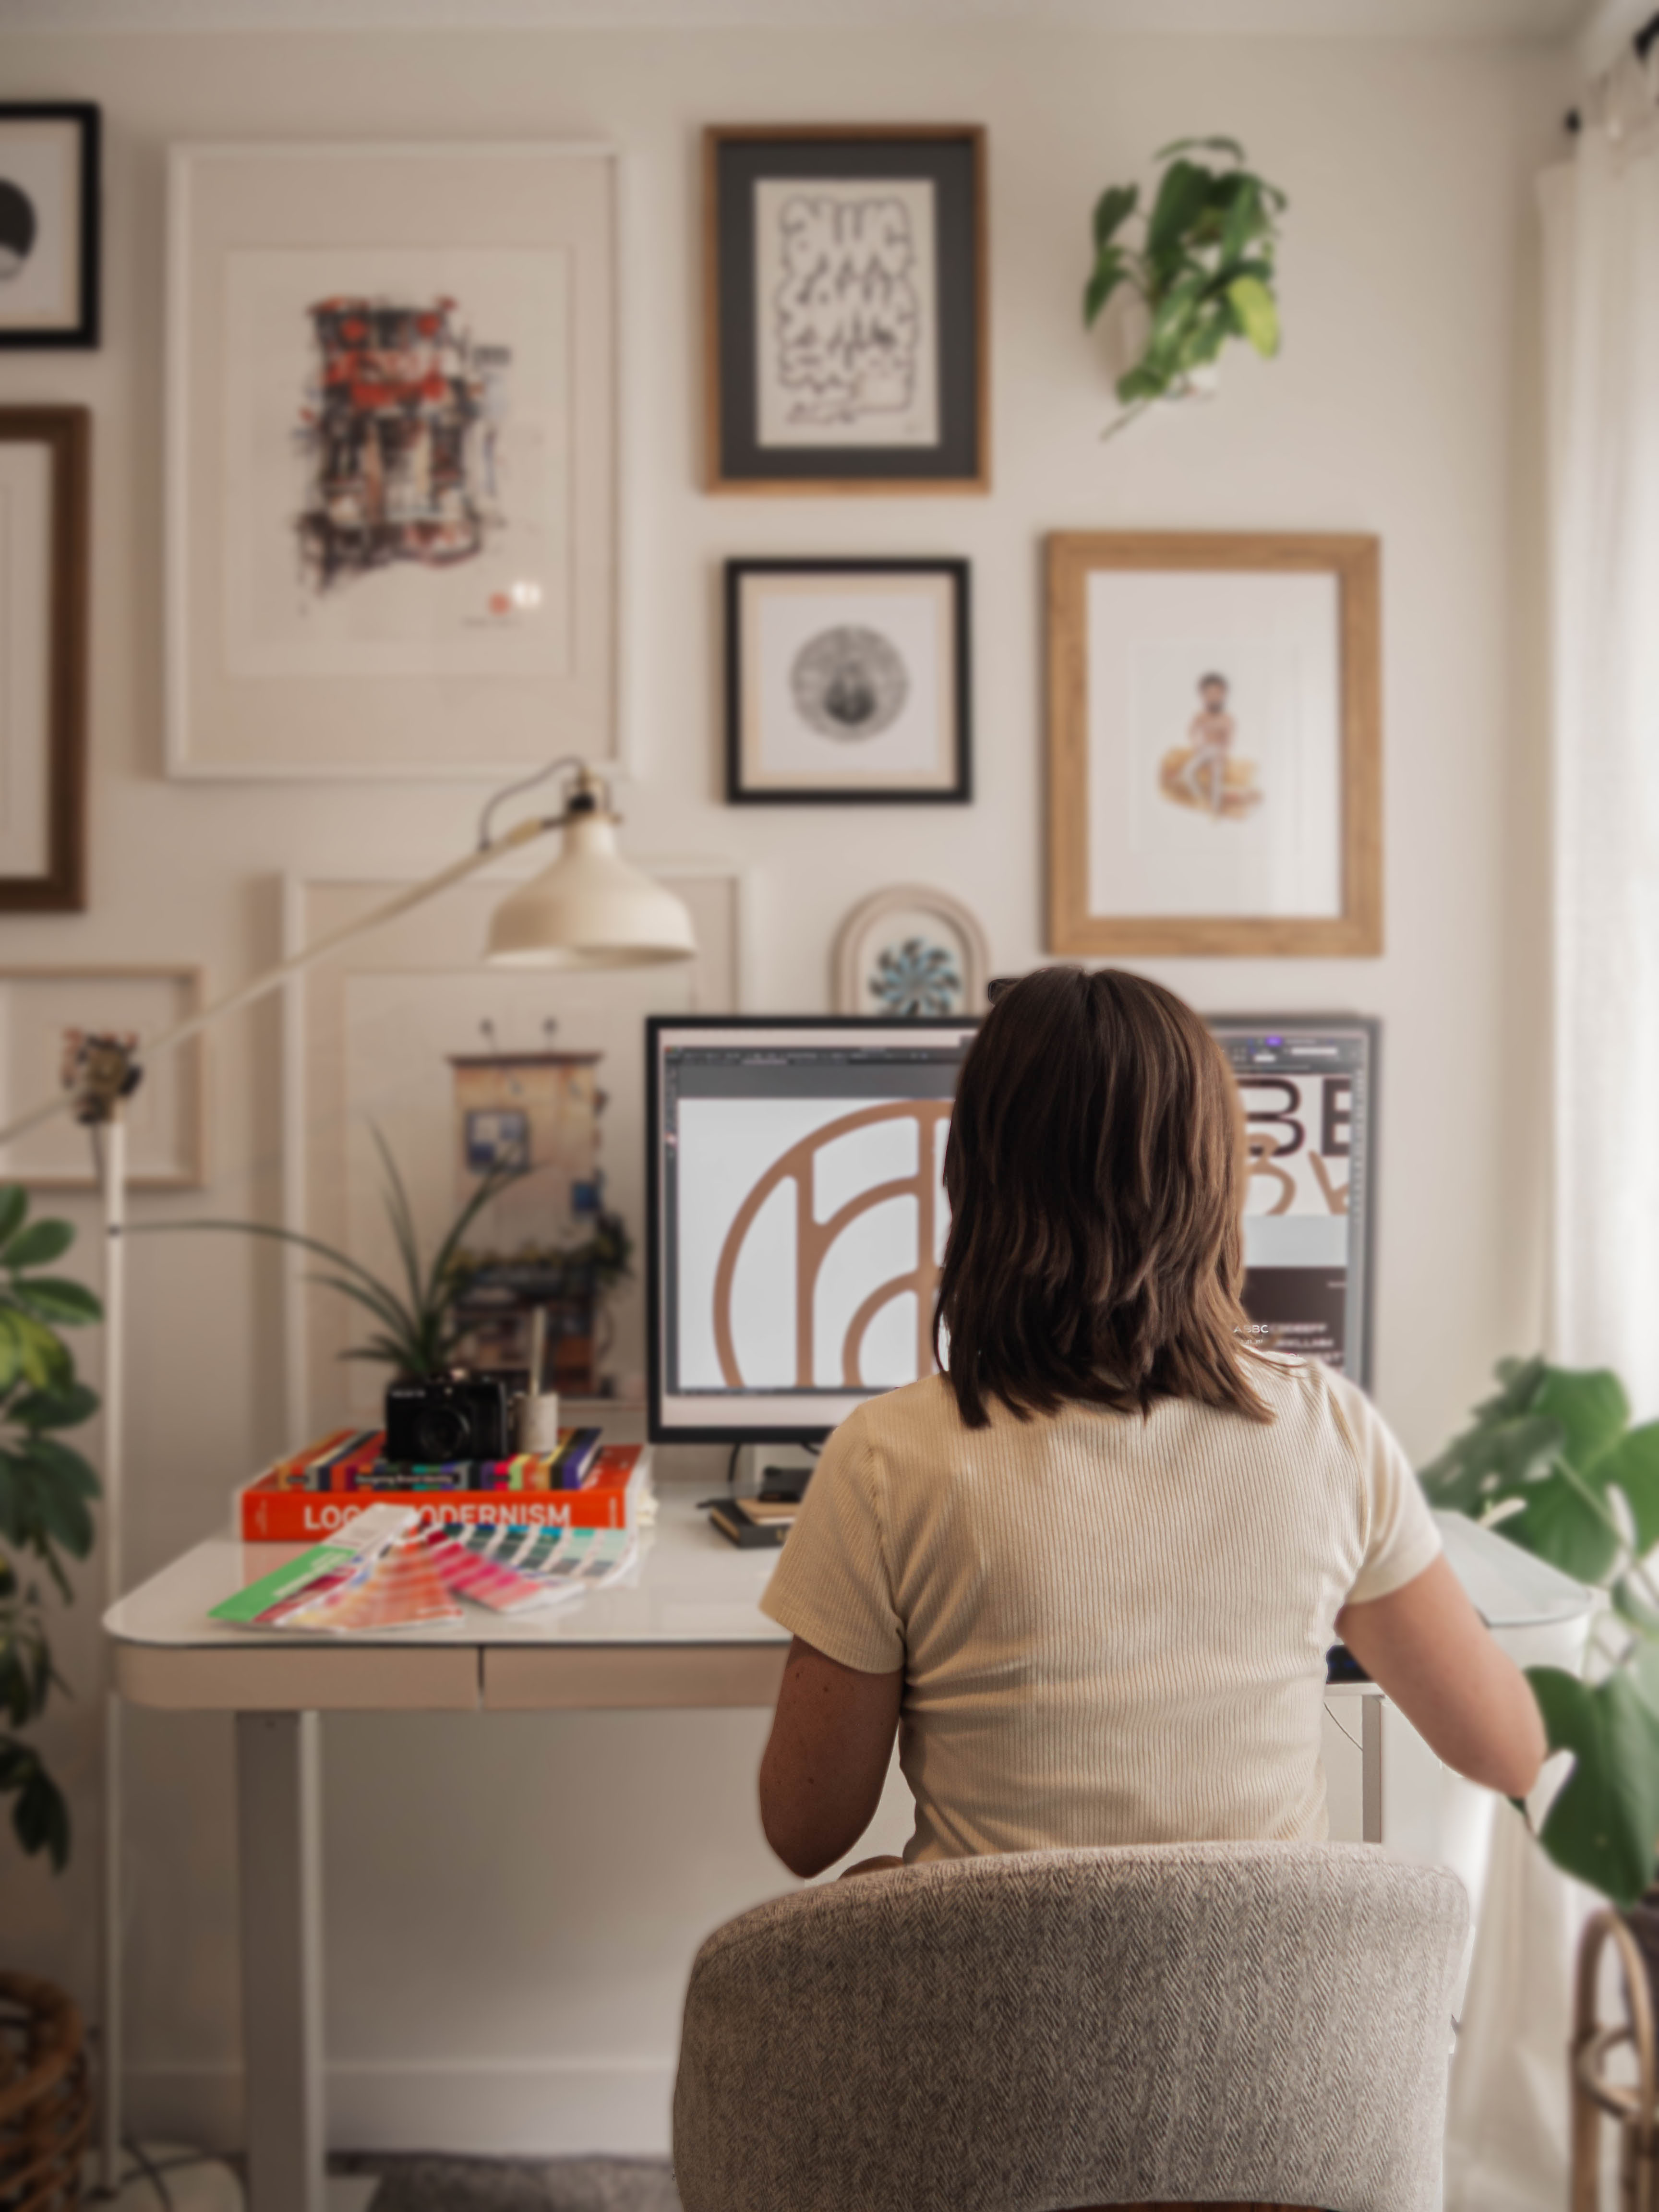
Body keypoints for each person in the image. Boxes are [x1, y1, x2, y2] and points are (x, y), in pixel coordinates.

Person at [756, 967, 1544, 1879]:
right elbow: (1509, 1751)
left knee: (871, 1890)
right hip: (1268, 2015)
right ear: (1214, 1180)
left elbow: (805, 1831)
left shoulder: (887, 1461)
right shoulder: (1330, 1434)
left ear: (974, 1181)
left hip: (1002, 2017)